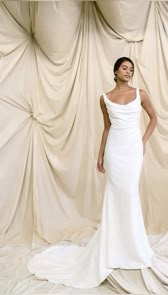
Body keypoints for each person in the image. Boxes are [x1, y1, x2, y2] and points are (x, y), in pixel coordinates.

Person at [27, 57, 157, 289]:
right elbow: (107, 128)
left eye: (131, 69)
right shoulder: (104, 98)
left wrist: (143, 142)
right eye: (125, 68)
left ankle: (133, 246)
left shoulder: (141, 93)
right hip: (115, 151)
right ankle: (114, 245)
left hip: (133, 150)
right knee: (115, 195)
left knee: (129, 194)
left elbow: (154, 118)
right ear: (115, 71)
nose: (128, 72)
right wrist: (100, 154)